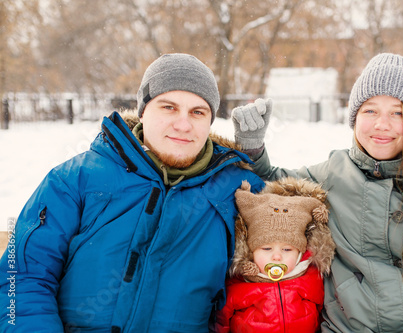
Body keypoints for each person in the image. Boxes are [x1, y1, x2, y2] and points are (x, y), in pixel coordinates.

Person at [231, 53, 403, 332]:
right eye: (370, 110)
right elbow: (270, 190)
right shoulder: (332, 175)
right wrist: (252, 149)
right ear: (355, 117)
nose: (381, 124)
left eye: (397, 113)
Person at [0, 53, 265, 332]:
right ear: (142, 111)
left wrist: (256, 156)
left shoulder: (239, 192)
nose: (183, 125)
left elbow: (276, 287)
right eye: (169, 107)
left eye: (198, 112)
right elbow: (22, 280)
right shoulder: (75, 179)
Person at [215, 177, 335, 333]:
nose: (277, 257)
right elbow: (220, 322)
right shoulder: (238, 284)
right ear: (251, 251)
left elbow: (324, 316)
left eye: (287, 250)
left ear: (300, 253)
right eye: (266, 249)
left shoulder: (312, 279)